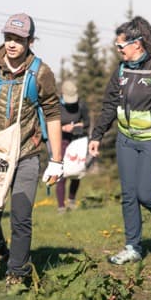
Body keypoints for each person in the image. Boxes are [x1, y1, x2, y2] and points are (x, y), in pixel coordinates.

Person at [0, 13, 63, 292]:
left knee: (21, 215)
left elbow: (53, 113)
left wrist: (56, 160)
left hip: (27, 153)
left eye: (18, 40)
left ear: (30, 41)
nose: (12, 44)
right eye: (8, 38)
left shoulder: (41, 73)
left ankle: (17, 272)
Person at [88, 16, 151, 265]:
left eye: (121, 46)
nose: (118, 50)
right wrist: (97, 135)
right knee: (129, 195)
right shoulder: (122, 70)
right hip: (126, 140)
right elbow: (110, 104)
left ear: (138, 44)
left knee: (146, 194)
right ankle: (133, 247)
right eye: (116, 46)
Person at [56, 78, 89, 212]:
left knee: (76, 171)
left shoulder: (81, 104)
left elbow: (87, 123)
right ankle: (61, 207)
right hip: (61, 141)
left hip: (77, 141)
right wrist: (62, 128)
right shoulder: (56, 105)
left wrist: (76, 126)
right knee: (62, 173)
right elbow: (50, 125)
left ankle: (71, 200)